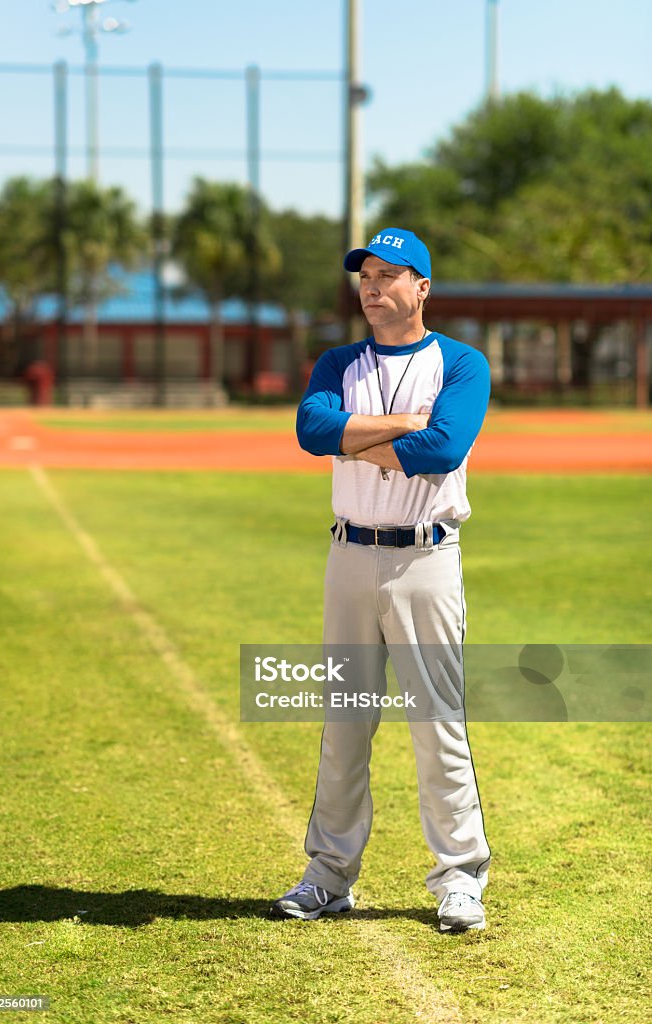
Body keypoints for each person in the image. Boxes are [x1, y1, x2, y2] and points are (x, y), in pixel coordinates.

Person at [271, 227, 492, 933]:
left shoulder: (461, 364)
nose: (371, 287)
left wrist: (353, 434)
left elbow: (444, 447)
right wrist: (398, 423)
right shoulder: (337, 360)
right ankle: (327, 877)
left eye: (388, 275)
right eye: (364, 275)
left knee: (436, 726)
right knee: (344, 722)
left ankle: (459, 880)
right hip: (348, 559)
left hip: (424, 561)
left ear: (421, 288)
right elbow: (310, 431)